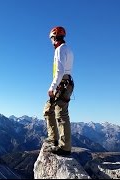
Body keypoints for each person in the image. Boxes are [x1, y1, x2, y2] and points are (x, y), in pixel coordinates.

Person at [43, 26, 74, 156]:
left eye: (51, 38)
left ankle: (64, 147)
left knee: (61, 115)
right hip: (66, 83)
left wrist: (52, 87)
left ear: (55, 37)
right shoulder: (68, 50)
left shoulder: (60, 50)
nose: (51, 41)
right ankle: (53, 139)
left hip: (62, 84)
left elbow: (60, 71)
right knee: (48, 109)